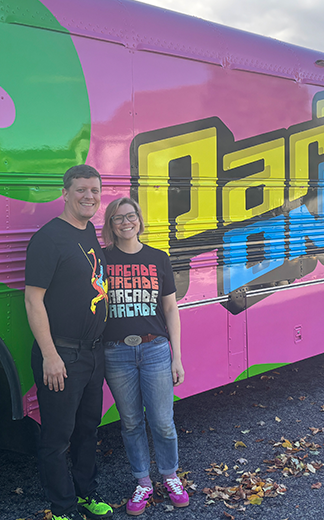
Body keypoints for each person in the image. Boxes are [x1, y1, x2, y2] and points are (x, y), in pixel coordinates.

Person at [25, 164, 113, 520]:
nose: (88, 196)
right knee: (57, 437)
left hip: (93, 354)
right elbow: (33, 300)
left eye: (94, 190)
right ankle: (62, 508)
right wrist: (50, 355)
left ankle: (85, 494)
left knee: (87, 429)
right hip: (62, 354)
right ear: (65, 193)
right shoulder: (49, 238)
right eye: (81, 190)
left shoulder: (89, 231)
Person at [101, 197, 189, 516]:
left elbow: (170, 309)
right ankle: (143, 483)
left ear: (139, 219)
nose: (126, 222)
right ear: (110, 225)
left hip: (155, 349)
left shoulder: (157, 258)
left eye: (131, 215)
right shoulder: (102, 260)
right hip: (117, 353)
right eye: (118, 218)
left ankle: (169, 476)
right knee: (131, 422)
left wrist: (176, 357)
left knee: (163, 422)